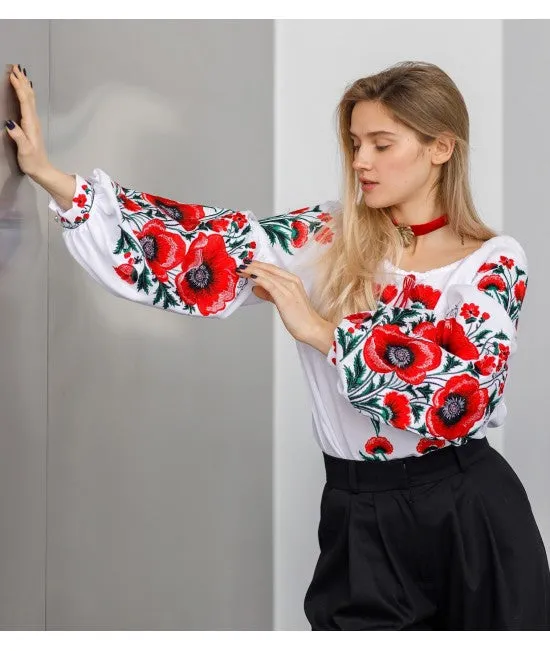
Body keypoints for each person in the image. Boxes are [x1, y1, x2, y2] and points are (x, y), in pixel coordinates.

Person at [5, 60, 550, 631]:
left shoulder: (494, 261)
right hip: (357, 513)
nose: (360, 160)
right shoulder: (327, 236)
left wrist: (319, 330)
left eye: (381, 144)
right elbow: (194, 247)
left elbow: (462, 396)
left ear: (441, 147)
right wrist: (52, 177)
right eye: (355, 142)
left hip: (470, 514)